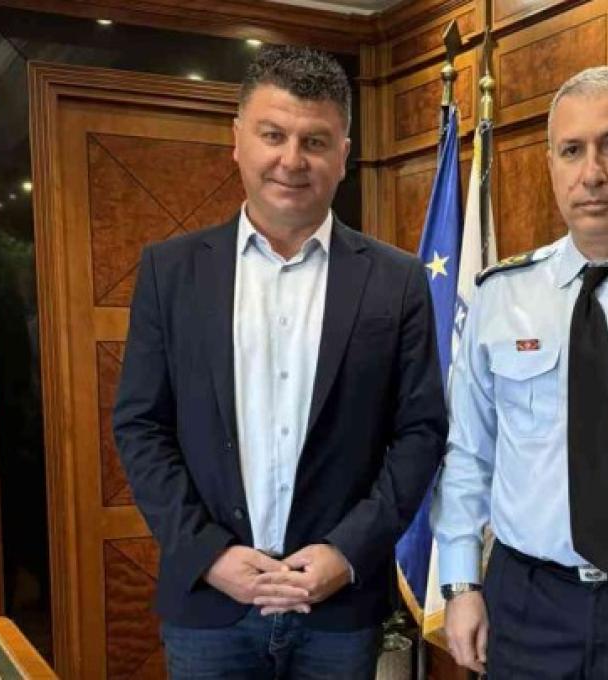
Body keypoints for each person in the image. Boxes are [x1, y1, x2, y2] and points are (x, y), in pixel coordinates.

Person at [113, 44, 446, 680]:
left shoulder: (397, 281)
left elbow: (421, 433)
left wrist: (346, 552)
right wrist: (209, 554)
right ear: (237, 140)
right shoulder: (171, 271)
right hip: (209, 602)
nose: (292, 160)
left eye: (314, 141)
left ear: (343, 155)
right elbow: (140, 426)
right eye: (273, 135)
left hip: (337, 607)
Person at [431, 65, 608, 679]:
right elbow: (468, 451)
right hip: (530, 603)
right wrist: (460, 585)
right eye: (572, 150)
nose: (593, 173)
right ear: (551, 164)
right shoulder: (501, 295)